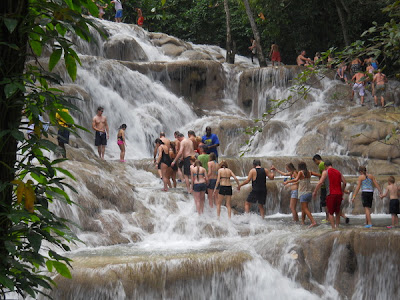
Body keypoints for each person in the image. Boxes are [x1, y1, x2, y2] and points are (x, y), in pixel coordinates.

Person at [313, 161, 346, 229]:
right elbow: (344, 182)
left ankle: (333, 228)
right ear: (331, 165)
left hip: (331, 194)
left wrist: (315, 191)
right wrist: (342, 190)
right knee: (337, 212)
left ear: (325, 166)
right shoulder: (338, 172)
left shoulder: (325, 172)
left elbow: (320, 182)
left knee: (330, 213)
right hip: (339, 194)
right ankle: (337, 227)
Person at [285, 162, 317, 228]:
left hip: (303, 193)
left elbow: (296, 179)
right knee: (303, 208)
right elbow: (319, 175)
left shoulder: (300, 173)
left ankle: (313, 221)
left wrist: (288, 181)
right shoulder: (309, 172)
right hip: (309, 192)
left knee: (305, 208)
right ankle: (303, 221)